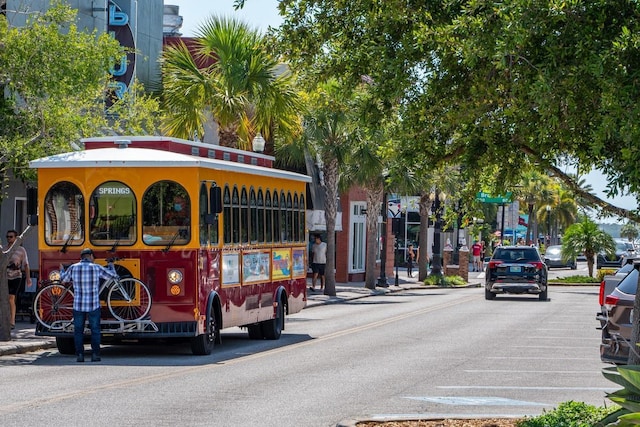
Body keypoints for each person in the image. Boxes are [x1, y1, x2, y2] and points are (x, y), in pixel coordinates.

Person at [60, 248, 119, 362]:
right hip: (93, 305)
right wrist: (111, 265)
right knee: (95, 330)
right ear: (91, 256)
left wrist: (61, 270)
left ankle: (80, 355)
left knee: (78, 331)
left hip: (78, 305)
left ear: (81, 257)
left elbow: (64, 279)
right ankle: (95, 354)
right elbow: (113, 276)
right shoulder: (96, 267)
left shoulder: (74, 268)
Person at [5, 230, 30, 329]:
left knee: (11, 298)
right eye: (7, 237)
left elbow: (26, 265)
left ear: (16, 238)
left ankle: (12, 321)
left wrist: (28, 278)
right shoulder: (4, 249)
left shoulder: (21, 250)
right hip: (5, 276)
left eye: (11, 237)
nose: (9, 239)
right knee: (4, 298)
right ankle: (6, 319)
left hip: (16, 276)